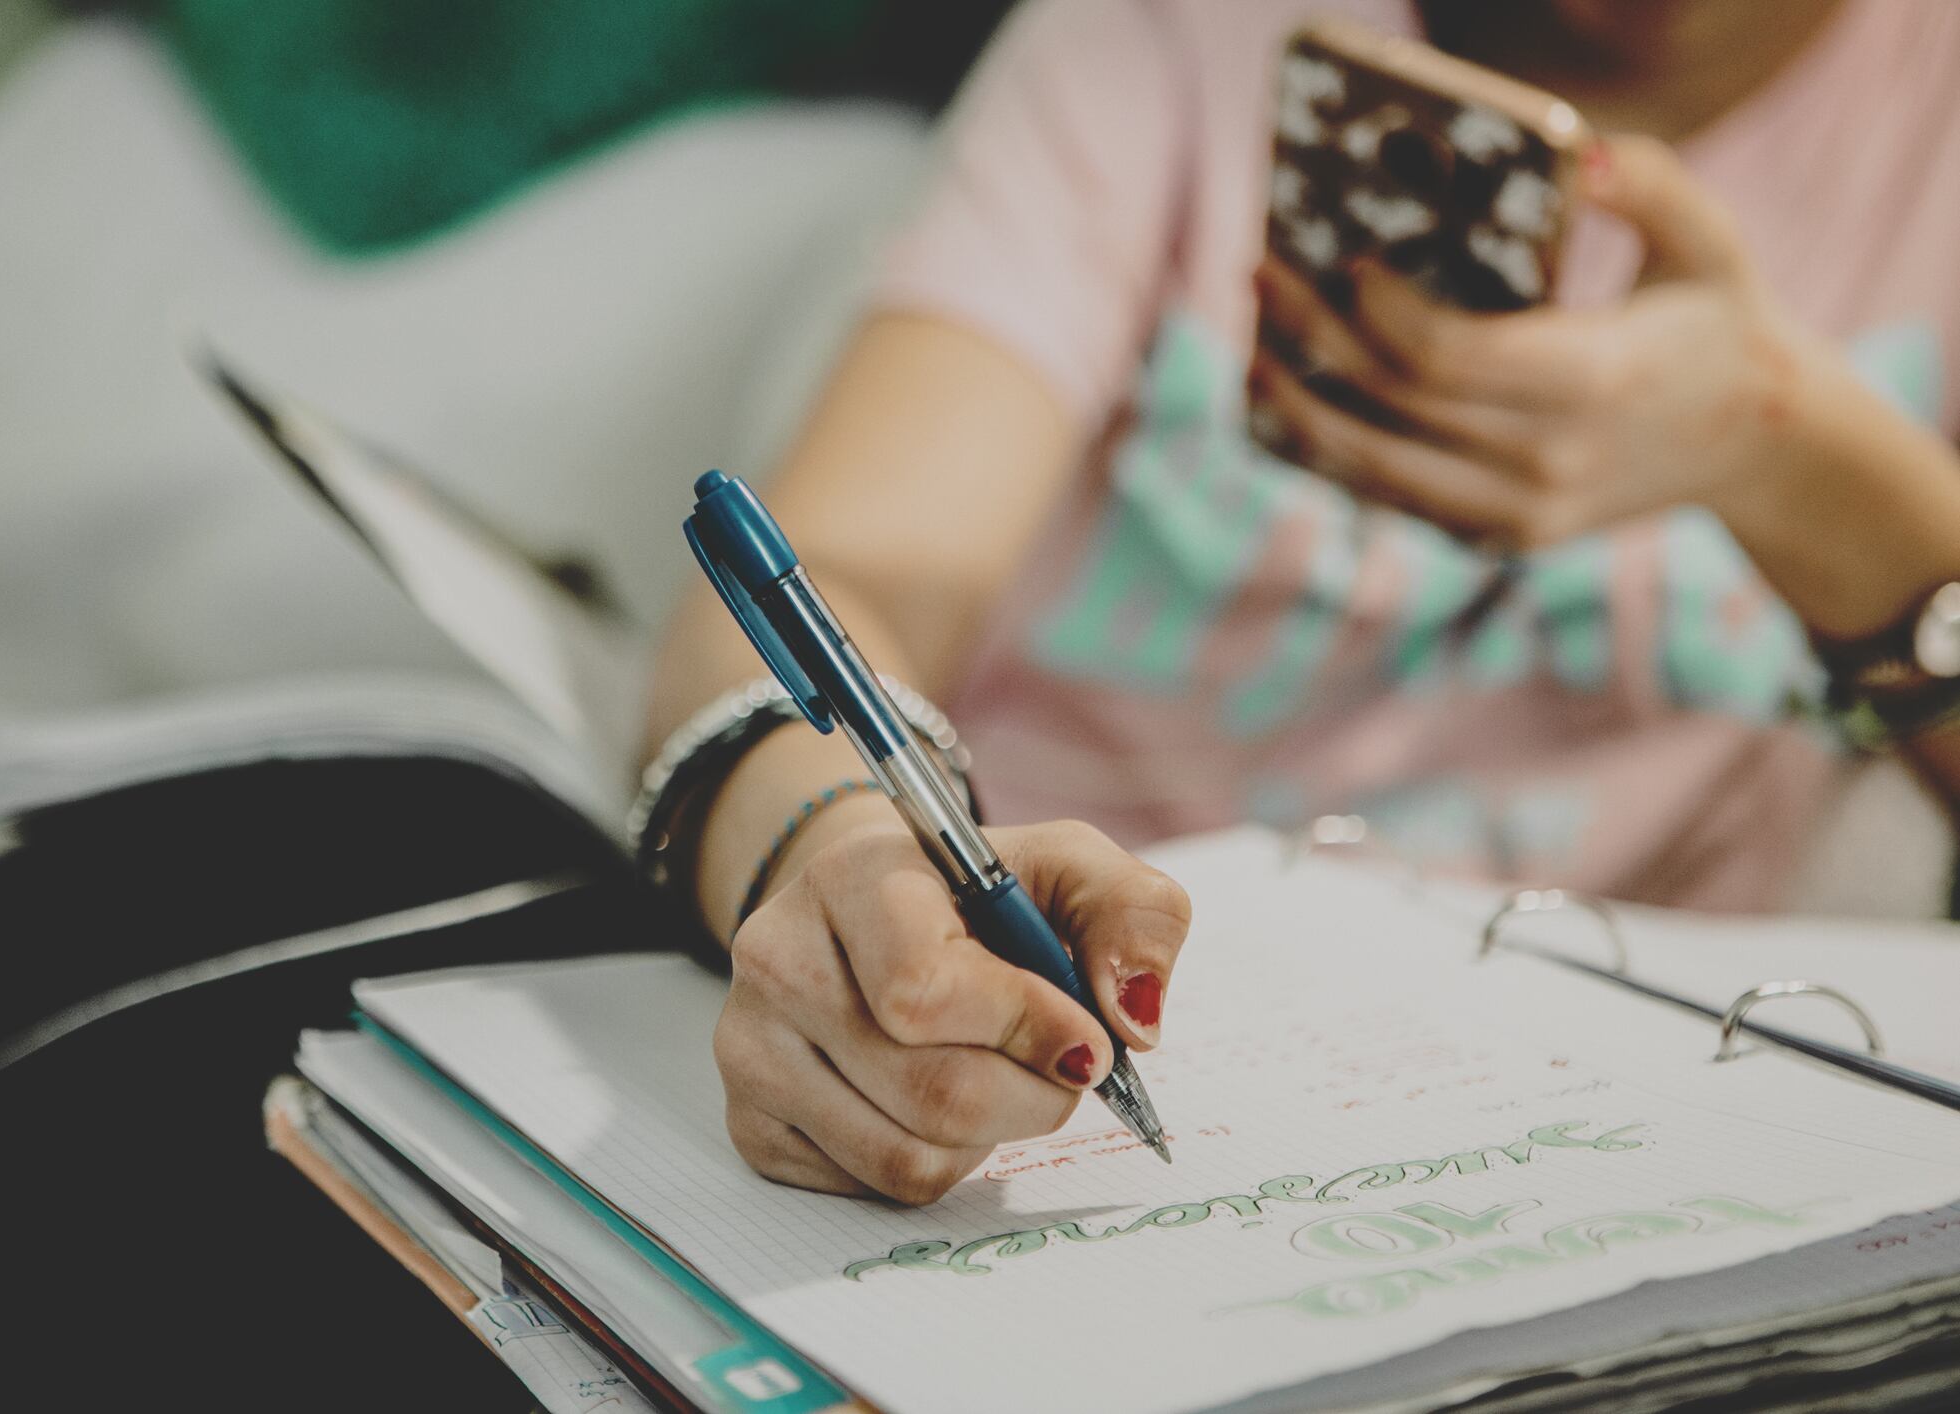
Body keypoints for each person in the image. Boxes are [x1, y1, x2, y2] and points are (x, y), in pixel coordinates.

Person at [640, 0, 1960, 1205]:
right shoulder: (1167, 39)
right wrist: (831, 854)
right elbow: (842, 574)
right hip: (1049, 1031)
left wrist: (1802, 468)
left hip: (1639, 1148)